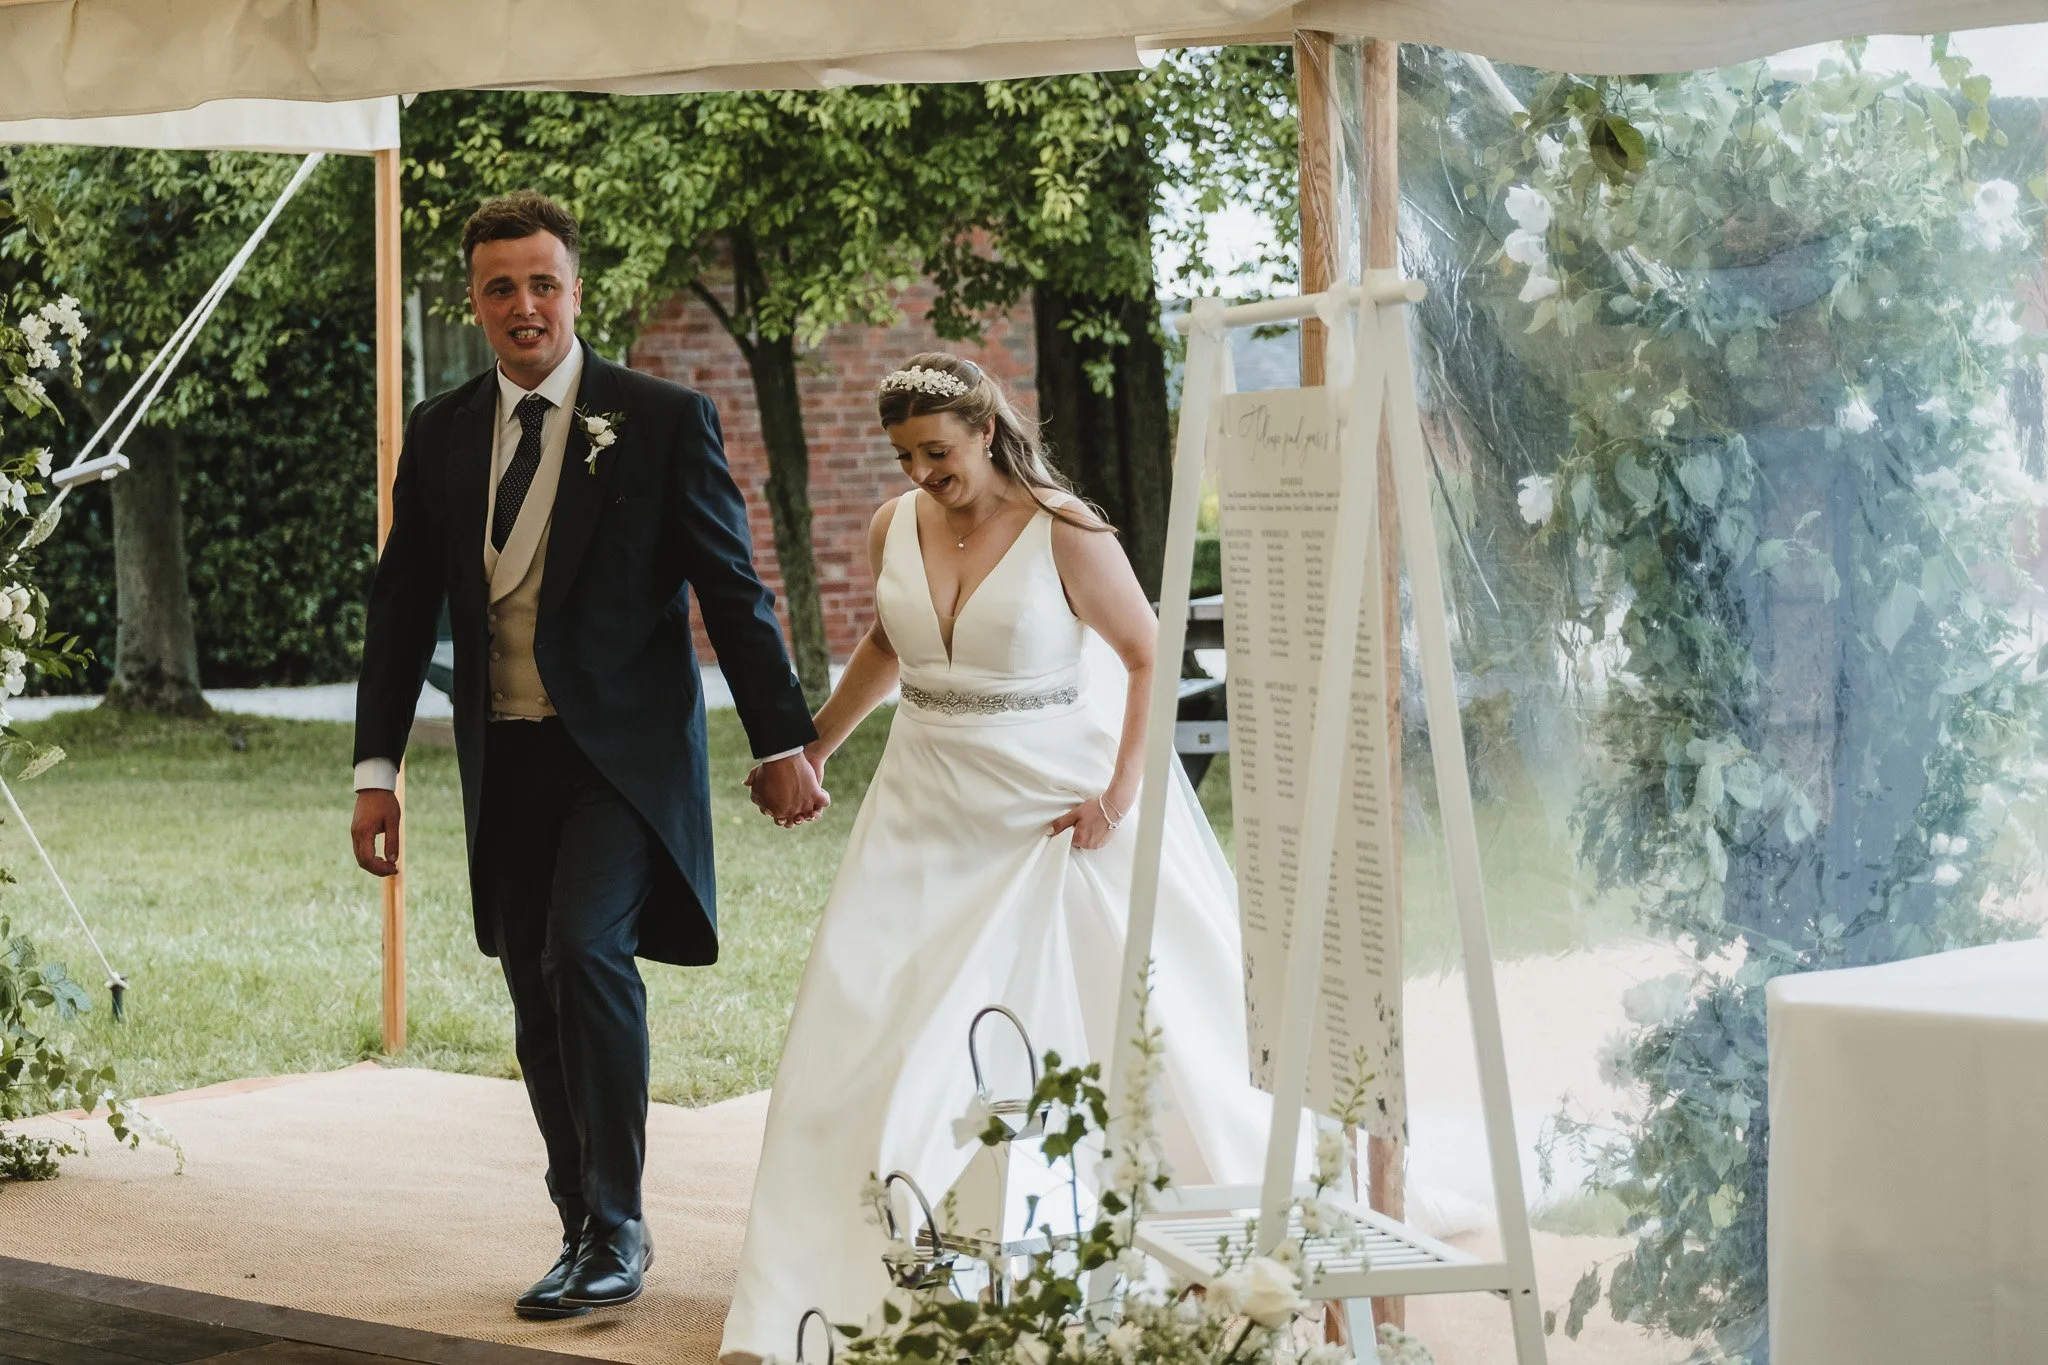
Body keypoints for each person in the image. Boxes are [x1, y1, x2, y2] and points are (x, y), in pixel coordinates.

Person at [719, 353, 1270, 1363]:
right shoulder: (893, 524)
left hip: (1045, 811)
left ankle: (1062, 1235)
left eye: (937, 452)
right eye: (904, 456)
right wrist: (815, 746)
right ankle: (859, 1249)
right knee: (872, 1006)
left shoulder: (1066, 528)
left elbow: (1145, 654)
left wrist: (1118, 797)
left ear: (985, 431)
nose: (922, 473)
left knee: (1061, 1019)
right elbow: (887, 646)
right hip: (921, 803)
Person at [350, 190, 827, 1322]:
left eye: (542, 283)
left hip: (619, 762)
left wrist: (782, 740)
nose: (524, 305)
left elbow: (732, 589)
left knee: (584, 954)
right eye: (499, 288)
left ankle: (619, 1227)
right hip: (504, 758)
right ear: (473, 303)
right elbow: (401, 606)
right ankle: (577, 1221)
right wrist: (377, 773)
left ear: (576, 290)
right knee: (531, 980)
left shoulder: (659, 419)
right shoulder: (442, 428)